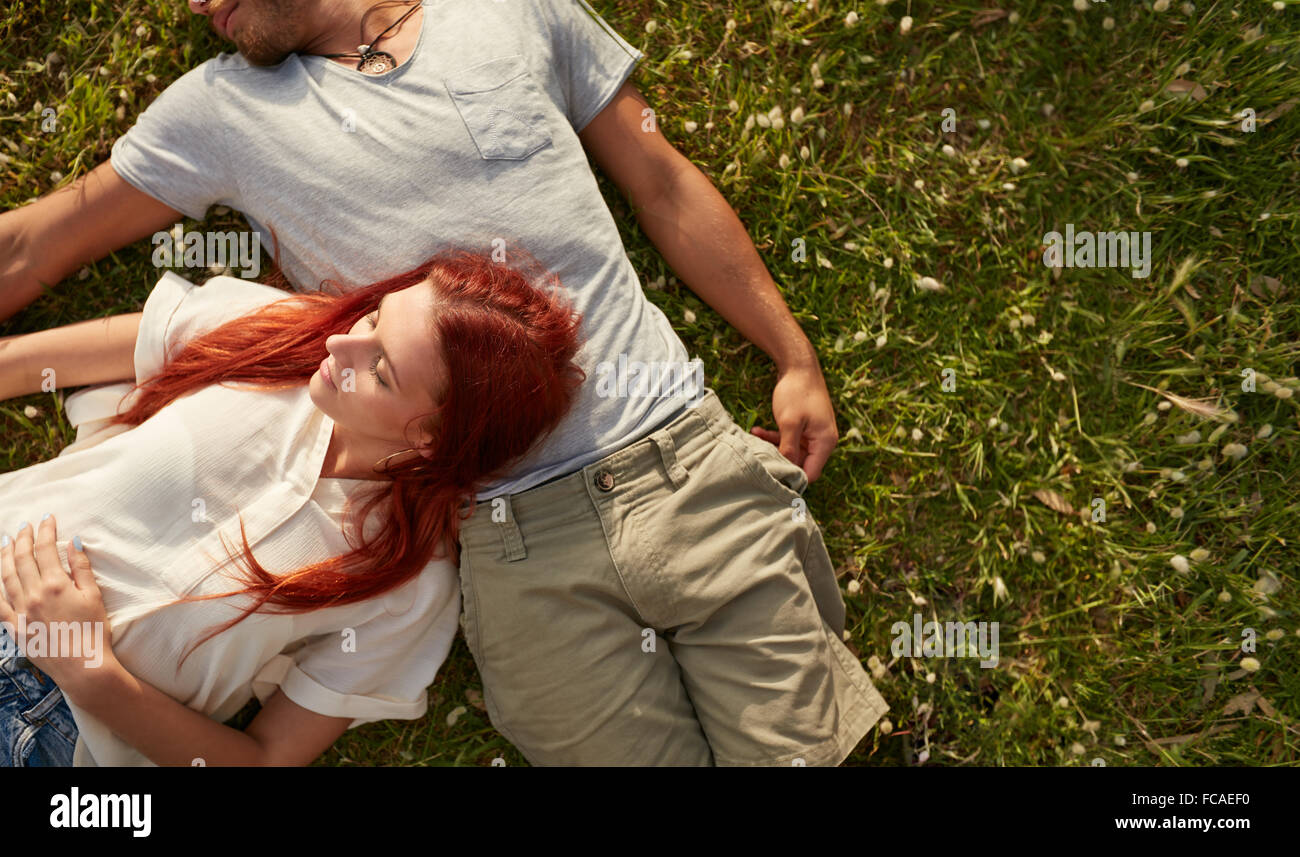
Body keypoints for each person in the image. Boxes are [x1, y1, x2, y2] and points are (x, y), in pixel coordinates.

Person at [0, 0, 889, 764]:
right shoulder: (220, 111)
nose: (192, 5)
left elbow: (658, 180)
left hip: (676, 459)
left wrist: (791, 354)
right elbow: (29, 246)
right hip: (507, 536)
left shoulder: (510, 10)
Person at [0, 248, 585, 766]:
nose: (339, 343)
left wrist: (91, 674)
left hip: (49, 729)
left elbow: (266, 758)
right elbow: (36, 360)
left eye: (379, 368)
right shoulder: (277, 335)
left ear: (431, 436)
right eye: (375, 315)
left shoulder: (407, 584)